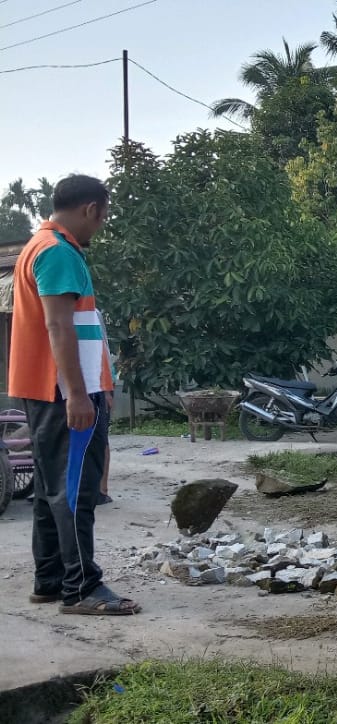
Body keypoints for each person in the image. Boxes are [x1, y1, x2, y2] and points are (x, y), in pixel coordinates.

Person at [9, 174, 141, 615]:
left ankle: (49, 580)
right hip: (61, 392)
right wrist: (78, 395)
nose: (101, 225)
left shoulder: (39, 246)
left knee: (51, 489)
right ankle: (82, 587)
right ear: (92, 209)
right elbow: (59, 326)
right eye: (103, 216)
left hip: (43, 389)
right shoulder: (58, 253)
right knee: (75, 492)